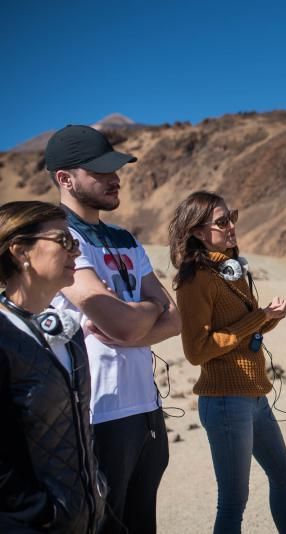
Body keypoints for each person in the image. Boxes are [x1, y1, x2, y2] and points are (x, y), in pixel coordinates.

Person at [44, 125, 182, 534]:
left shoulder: (124, 238)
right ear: (64, 179)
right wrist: (145, 312)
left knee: (143, 523)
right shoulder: (57, 236)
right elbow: (116, 319)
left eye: (115, 168)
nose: (115, 177)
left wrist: (136, 319)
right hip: (96, 413)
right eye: (100, 171)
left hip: (146, 408)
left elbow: (174, 316)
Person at [168, 191, 286, 534]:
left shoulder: (231, 267)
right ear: (197, 231)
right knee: (233, 502)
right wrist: (258, 319)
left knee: (284, 474)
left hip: (254, 396)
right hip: (225, 400)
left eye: (232, 218)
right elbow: (197, 350)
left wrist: (271, 317)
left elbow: (243, 327)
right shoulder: (195, 279)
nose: (231, 227)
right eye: (222, 222)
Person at [0, 201, 105, 533]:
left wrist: (97, 488)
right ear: (21, 251)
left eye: (76, 242)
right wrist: (39, 513)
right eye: (64, 241)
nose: (76, 252)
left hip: (84, 517)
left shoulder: (66, 332)